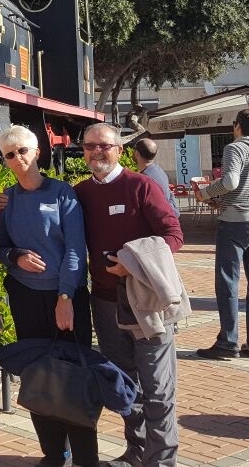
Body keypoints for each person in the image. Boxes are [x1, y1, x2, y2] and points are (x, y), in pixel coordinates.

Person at [72, 123, 184, 467]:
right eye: (90, 146)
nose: (97, 151)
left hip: (146, 302)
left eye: (104, 145)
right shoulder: (80, 193)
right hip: (105, 303)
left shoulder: (141, 186)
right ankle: (136, 452)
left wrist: (132, 264)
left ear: (120, 150)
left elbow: (173, 234)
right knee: (124, 385)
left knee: (158, 387)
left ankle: (161, 460)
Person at [0, 125, 97, 467]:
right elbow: (1, 248)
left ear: (37, 152)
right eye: (10, 154)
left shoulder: (62, 193)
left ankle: (85, 457)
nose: (17, 158)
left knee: (74, 375)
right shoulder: (7, 200)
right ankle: (53, 453)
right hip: (26, 297)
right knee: (38, 376)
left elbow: (75, 249)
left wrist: (65, 297)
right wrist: (16, 256)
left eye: (22, 151)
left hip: (65, 297)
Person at [195, 109, 249, 361]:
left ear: (238, 126)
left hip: (236, 222)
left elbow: (230, 181)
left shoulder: (235, 148)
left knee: (228, 280)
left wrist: (205, 193)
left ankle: (228, 341)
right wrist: (224, 200)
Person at [132, 139, 178, 219]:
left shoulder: (143, 179)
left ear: (137, 153)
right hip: (168, 217)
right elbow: (169, 196)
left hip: (158, 221)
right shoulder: (160, 171)